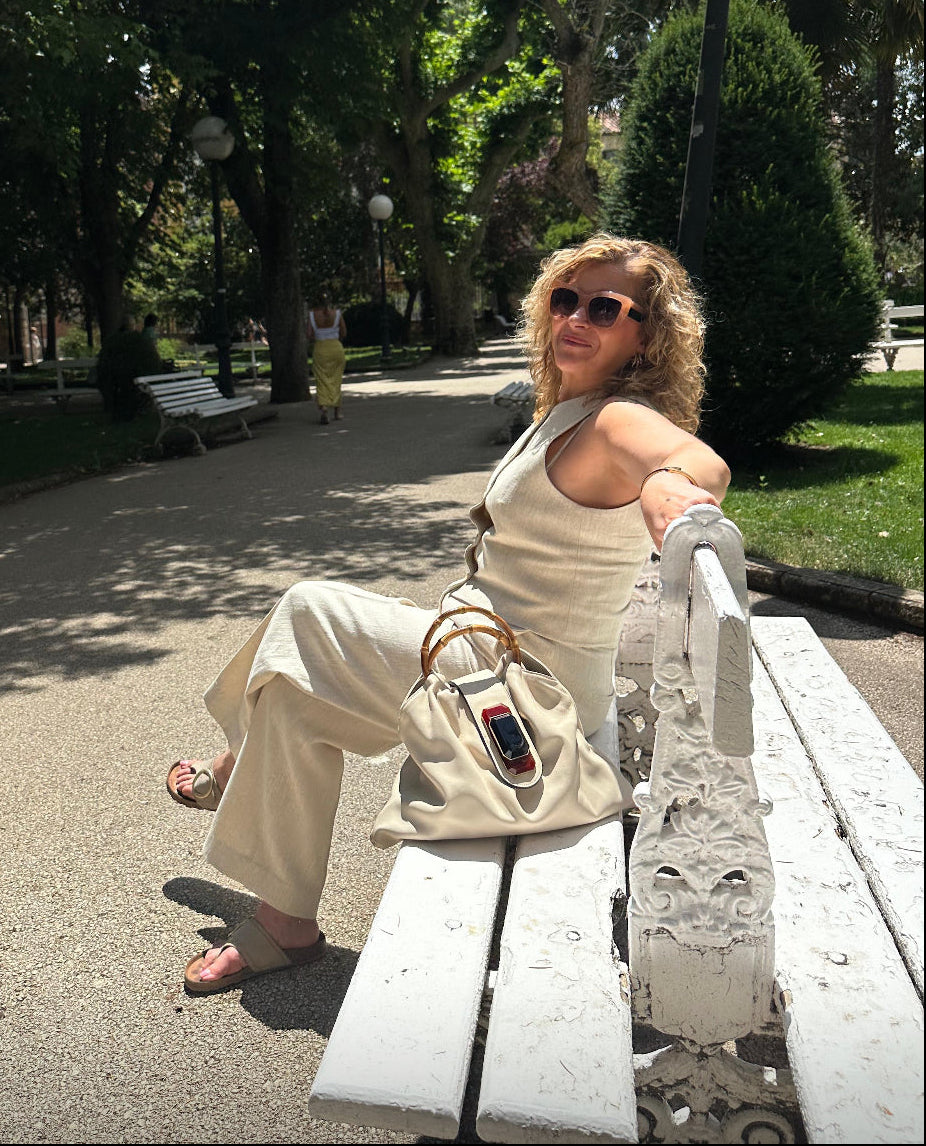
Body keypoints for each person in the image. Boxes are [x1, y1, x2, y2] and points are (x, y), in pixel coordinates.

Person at [166, 233, 730, 993]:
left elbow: (698, 463)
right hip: (482, 654)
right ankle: (286, 923)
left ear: (646, 335)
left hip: (524, 692)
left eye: (605, 308)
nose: (575, 318)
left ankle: (231, 766)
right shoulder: (573, 409)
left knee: (307, 610)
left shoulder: (615, 421)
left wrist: (669, 485)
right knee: (292, 704)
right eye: (565, 299)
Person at [307, 294, 347, 424]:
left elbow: (309, 334)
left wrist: (318, 337)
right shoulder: (337, 314)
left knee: (322, 380)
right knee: (336, 380)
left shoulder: (312, 315)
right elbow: (344, 332)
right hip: (336, 348)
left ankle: (324, 407)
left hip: (320, 349)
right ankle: (337, 412)